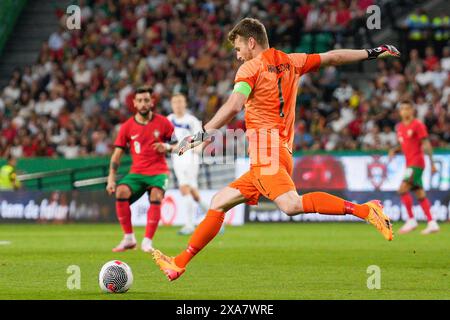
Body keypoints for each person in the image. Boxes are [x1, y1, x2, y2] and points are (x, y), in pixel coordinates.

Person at [153, 18, 400, 281]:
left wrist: (202, 134)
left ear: (251, 42)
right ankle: (179, 262)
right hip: (280, 152)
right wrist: (373, 52)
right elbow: (334, 57)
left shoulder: (250, 68)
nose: (237, 56)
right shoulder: (293, 60)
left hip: (266, 154)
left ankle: (365, 210)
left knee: (291, 205)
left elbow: (235, 105)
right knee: (219, 202)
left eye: (238, 48)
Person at [106, 86, 177, 253]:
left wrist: (166, 146)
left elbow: (178, 145)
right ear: (134, 103)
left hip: (159, 172)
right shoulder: (127, 127)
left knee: (156, 195)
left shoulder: (164, 122)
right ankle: (129, 238)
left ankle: (147, 242)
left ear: (152, 102)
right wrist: (111, 178)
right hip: (137, 173)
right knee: (121, 191)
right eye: (140, 100)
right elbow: (116, 155)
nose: (143, 103)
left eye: (146, 100)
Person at [389, 101, 440, 235]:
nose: (405, 111)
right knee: (419, 194)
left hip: (417, 163)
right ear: (400, 112)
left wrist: (433, 163)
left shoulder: (418, 125)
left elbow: (426, 144)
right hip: (409, 163)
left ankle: (411, 219)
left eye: (407, 108)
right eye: (402, 109)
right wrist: (395, 150)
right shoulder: (399, 127)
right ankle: (432, 223)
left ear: (412, 111)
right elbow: (404, 144)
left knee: (402, 189)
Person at [167, 93, 209, 235]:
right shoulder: (169, 120)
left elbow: (202, 138)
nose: (178, 105)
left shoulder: (191, 120)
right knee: (194, 193)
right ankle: (215, 220)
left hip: (190, 158)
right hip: (177, 159)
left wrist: (197, 150)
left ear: (185, 104)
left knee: (185, 189)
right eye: (175, 102)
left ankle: (189, 225)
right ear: (172, 104)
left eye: (180, 102)